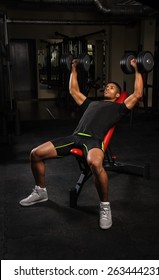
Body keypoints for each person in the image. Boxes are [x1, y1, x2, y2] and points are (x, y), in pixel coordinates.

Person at [19, 58, 143, 230]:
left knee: (94, 163)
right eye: (107, 86)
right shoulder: (91, 104)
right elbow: (73, 90)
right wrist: (74, 68)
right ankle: (41, 192)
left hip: (93, 140)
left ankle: (105, 206)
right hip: (75, 137)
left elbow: (137, 94)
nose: (107, 87)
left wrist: (137, 69)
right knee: (35, 154)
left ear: (117, 95)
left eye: (112, 87)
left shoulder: (120, 108)